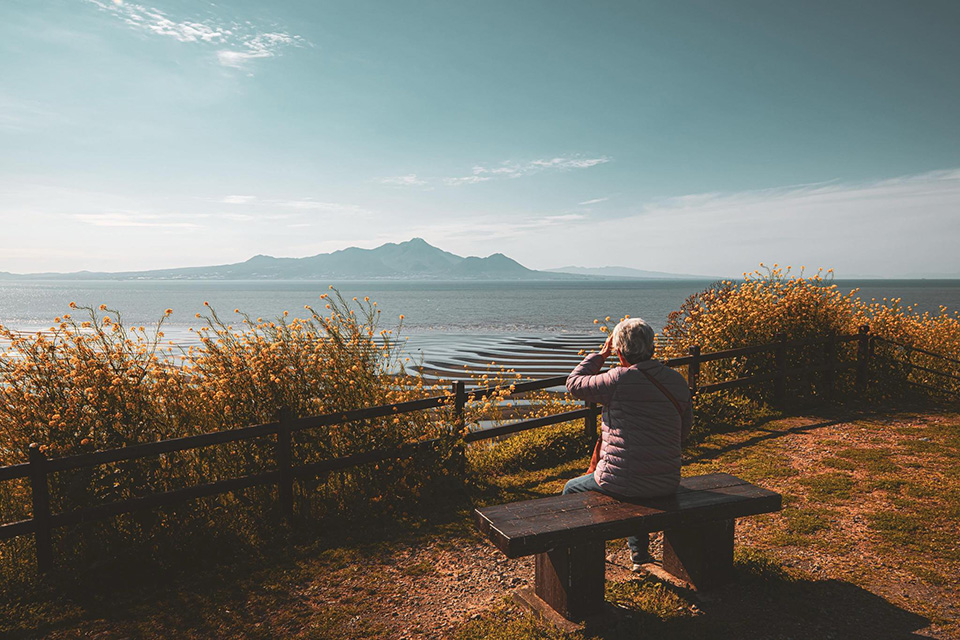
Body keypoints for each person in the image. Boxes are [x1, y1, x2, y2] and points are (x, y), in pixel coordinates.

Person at [563, 317, 693, 570]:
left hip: (624, 482)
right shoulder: (676, 381)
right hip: (667, 481)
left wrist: (600, 355)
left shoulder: (618, 379)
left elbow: (574, 384)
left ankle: (578, 561)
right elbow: (683, 433)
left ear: (619, 352)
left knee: (571, 488)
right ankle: (640, 556)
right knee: (635, 483)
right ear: (652, 348)